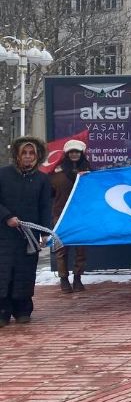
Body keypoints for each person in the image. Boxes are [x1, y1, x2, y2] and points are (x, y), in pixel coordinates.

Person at [0, 137, 52, 325]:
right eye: (25, 153)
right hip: (4, 235)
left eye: (32, 153)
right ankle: (2, 312)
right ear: (17, 155)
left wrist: (46, 231)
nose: (28, 157)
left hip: (29, 236)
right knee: (4, 272)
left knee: (25, 272)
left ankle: (22, 310)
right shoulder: (3, 174)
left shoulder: (42, 179)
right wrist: (7, 217)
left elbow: (45, 206)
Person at [50, 139, 92, 293]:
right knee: (61, 248)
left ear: (81, 154)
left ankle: (78, 278)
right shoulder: (56, 173)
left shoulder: (89, 172)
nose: (74, 154)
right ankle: (63, 278)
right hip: (61, 215)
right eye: (71, 152)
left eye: (77, 152)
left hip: (82, 216)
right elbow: (50, 193)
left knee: (81, 249)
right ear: (67, 154)